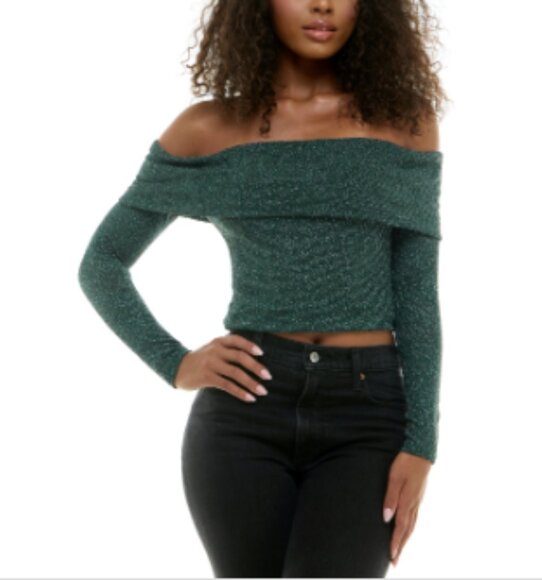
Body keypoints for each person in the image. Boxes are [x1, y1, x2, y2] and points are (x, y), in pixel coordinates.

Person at [78, 0, 450, 576]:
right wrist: (175, 363)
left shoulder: (403, 123)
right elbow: (102, 262)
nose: (323, 4)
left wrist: (422, 443)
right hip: (245, 411)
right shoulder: (206, 130)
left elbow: (417, 295)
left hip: (367, 416)